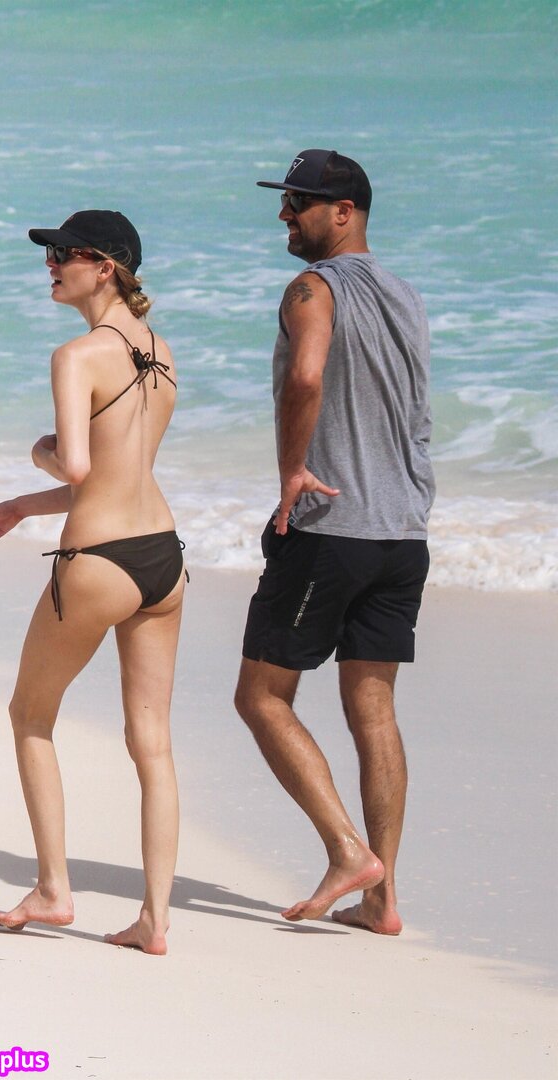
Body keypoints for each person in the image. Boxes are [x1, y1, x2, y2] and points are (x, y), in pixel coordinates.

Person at [0, 209, 185, 955]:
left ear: (106, 266)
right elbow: (122, 472)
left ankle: (54, 890)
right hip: (162, 557)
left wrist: (40, 454)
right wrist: (22, 507)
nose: (51, 264)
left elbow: (81, 469)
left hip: (96, 561)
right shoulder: (161, 351)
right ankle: (154, 920)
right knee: (152, 743)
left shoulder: (77, 355)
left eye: (63, 253)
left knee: (30, 715)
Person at [234, 150, 435, 935]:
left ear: (344, 212)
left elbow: (307, 377)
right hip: (402, 533)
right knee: (374, 709)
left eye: (299, 202)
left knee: (261, 697)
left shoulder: (313, 287)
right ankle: (382, 900)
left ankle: (349, 852)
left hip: (330, 527)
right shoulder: (406, 294)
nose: (285, 215)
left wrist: (292, 471)